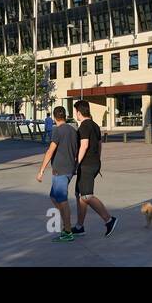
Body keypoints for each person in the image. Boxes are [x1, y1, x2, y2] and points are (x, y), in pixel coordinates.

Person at [71, 100, 118, 237]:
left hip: (86, 165)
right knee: (80, 195)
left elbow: (84, 145)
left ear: (79, 112)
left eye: (75, 112)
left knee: (86, 195)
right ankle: (79, 226)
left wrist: (76, 164)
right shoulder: (95, 126)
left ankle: (109, 220)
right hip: (94, 163)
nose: (76, 114)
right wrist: (97, 160)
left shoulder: (84, 126)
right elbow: (99, 145)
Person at [36, 106, 78, 242]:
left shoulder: (57, 131)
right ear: (65, 116)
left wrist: (41, 170)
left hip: (61, 170)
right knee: (54, 197)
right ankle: (67, 222)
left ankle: (67, 231)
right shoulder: (73, 130)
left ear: (54, 117)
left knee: (62, 200)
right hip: (68, 169)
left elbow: (50, 150)